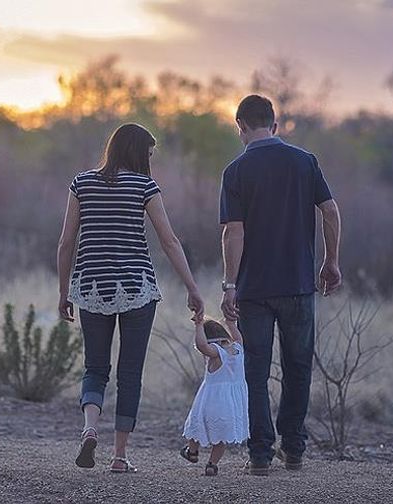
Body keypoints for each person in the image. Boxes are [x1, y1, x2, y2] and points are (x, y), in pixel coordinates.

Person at [57, 123, 204, 473]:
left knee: (95, 367)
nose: (150, 162)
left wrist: (64, 292)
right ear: (138, 153)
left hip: (91, 287)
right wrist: (192, 287)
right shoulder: (144, 186)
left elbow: (66, 243)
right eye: (149, 154)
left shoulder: (81, 183)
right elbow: (169, 242)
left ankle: (90, 429)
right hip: (137, 287)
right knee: (130, 372)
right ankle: (119, 456)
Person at [219, 95, 342, 476]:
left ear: (240, 126)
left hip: (254, 290)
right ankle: (293, 449)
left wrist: (229, 284)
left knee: (255, 371)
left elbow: (232, 233)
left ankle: (259, 454)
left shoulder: (236, 171)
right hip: (299, 285)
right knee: (298, 367)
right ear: (275, 124)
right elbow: (330, 210)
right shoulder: (305, 162)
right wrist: (331, 261)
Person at [180, 318, 249, 476]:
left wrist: (198, 325)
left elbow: (202, 346)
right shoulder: (238, 347)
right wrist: (231, 322)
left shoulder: (216, 353)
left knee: (196, 425)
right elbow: (238, 337)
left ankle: (192, 451)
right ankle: (212, 464)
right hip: (231, 404)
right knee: (221, 437)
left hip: (211, 402)